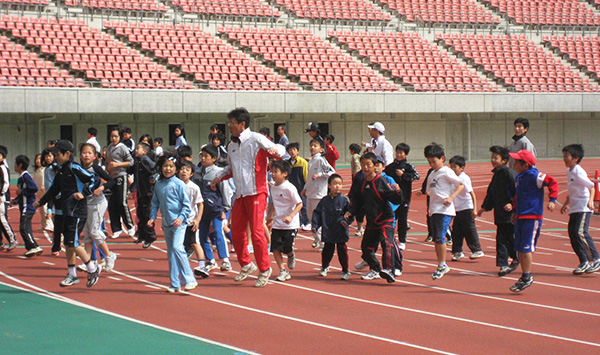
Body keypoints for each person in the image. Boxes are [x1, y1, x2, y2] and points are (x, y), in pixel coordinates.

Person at [212, 107, 286, 288]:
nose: (229, 126)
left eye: (232, 123)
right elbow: (230, 168)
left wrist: (277, 151)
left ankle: (264, 268)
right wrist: (218, 176)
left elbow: (278, 150)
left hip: (257, 192)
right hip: (241, 194)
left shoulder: (256, 139)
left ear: (242, 124)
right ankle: (246, 264)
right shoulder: (231, 146)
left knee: (257, 231)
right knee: (235, 231)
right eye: (229, 122)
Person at [35, 140, 101, 288]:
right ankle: (72, 274)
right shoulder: (62, 171)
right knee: (68, 244)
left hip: (77, 211)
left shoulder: (74, 167)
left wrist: (84, 193)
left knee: (73, 243)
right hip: (67, 211)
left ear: (67, 154)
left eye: (58, 154)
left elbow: (94, 179)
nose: (56, 157)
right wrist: (41, 202)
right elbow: (53, 190)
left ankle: (92, 268)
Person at [345, 153, 403, 283]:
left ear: (375, 166)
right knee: (366, 248)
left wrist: (398, 191)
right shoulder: (361, 182)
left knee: (387, 243)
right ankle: (376, 269)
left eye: (368, 165)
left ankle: (389, 270)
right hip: (372, 221)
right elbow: (357, 201)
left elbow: (394, 199)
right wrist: (350, 212)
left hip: (385, 218)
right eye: (363, 164)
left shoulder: (381, 181)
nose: (365, 167)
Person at [508, 149, 558, 292]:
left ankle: (527, 275)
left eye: (517, 162)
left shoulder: (536, 176)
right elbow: (518, 196)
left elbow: (553, 183)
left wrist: (552, 200)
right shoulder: (519, 177)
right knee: (519, 248)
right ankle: (525, 276)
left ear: (526, 165)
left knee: (526, 247)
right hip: (520, 216)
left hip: (532, 217)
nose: (514, 164)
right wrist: (515, 211)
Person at [148, 153, 197, 293]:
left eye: (171, 166)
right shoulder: (159, 185)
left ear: (176, 169)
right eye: (165, 166)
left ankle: (190, 279)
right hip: (167, 224)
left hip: (179, 224)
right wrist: (152, 217)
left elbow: (187, 205)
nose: (168, 169)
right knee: (171, 253)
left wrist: (181, 218)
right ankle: (175, 284)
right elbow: (155, 203)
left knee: (177, 248)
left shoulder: (179, 184)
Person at [415, 143, 464, 280]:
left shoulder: (447, 171)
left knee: (440, 237)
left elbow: (460, 184)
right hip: (434, 209)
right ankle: (441, 264)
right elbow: (433, 188)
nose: (432, 164)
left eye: (434, 161)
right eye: (429, 162)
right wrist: (427, 193)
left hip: (444, 209)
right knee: (437, 238)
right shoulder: (433, 173)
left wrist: (451, 198)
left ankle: (442, 265)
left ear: (442, 158)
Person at [477, 146, 519, 276]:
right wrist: (484, 207)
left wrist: (513, 205)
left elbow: (518, 191)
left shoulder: (510, 174)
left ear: (504, 160)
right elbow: (491, 193)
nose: (493, 160)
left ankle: (516, 257)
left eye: (496, 157)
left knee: (510, 239)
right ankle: (503, 265)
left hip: (510, 215)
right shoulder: (496, 175)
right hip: (500, 214)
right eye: (492, 157)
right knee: (501, 239)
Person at [560, 144, 600, 274]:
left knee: (580, 232)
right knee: (572, 233)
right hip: (575, 207)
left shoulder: (578, 170)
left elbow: (591, 187)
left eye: (567, 156)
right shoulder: (569, 171)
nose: (565, 159)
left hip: (583, 207)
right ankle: (584, 261)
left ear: (576, 158)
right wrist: (566, 203)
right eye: (564, 156)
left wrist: (590, 201)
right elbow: (573, 190)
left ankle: (596, 259)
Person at [79, 143, 118, 272]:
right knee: (88, 235)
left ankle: (109, 255)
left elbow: (112, 181)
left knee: (95, 231)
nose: (86, 155)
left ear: (95, 156)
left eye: (89, 153)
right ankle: (88, 261)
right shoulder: (79, 169)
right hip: (86, 204)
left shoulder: (96, 168)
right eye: (84, 152)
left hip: (98, 203)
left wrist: (101, 188)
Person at [194, 144, 232, 274]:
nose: (203, 159)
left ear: (214, 158)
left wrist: (225, 208)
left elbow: (225, 191)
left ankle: (225, 260)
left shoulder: (218, 173)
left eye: (206, 156)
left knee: (218, 231)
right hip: (203, 210)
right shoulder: (197, 173)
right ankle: (210, 260)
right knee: (202, 235)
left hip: (216, 208)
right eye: (202, 156)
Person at [266, 160, 302, 282]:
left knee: (286, 248)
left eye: (276, 172)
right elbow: (273, 203)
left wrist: (291, 216)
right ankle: (283, 271)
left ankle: (290, 254)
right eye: (272, 172)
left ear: (285, 173)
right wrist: (270, 216)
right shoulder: (274, 188)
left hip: (290, 224)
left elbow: (299, 204)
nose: (273, 174)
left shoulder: (289, 188)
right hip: (277, 223)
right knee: (275, 248)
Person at [313, 174, 353, 280]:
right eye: (335, 184)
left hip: (340, 231)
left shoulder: (344, 200)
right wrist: (315, 225)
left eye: (340, 184)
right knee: (327, 250)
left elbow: (350, 214)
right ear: (329, 185)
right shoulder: (325, 200)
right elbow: (317, 213)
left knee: (342, 250)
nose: (337, 186)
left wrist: (345, 222)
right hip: (328, 230)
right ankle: (325, 267)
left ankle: (345, 270)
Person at [448, 155, 484, 261]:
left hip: (466, 207)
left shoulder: (464, 178)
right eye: (451, 167)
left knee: (469, 229)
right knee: (457, 230)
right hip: (457, 208)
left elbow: (472, 193)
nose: (452, 169)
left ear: (462, 168)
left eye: (455, 167)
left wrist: (474, 209)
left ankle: (477, 250)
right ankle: (457, 251)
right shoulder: (452, 178)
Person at [384, 143, 419, 250]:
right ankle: (390, 239)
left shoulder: (408, 167)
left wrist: (403, 175)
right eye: (397, 152)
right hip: (391, 198)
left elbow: (416, 176)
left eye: (401, 153)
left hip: (404, 198)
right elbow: (384, 177)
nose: (399, 155)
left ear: (406, 154)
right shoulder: (391, 167)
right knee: (390, 219)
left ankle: (402, 241)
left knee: (403, 219)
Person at [178, 160, 210, 279]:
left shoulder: (193, 187)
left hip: (190, 221)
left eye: (187, 170)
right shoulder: (175, 185)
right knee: (179, 244)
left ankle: (202, 265)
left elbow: (200, 204)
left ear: (192, 174)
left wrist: (197, 220)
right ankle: (181, 266)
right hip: (178, 221)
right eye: (182, 169)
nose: (184, 172)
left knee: (195, 242)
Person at [302, 138, 335, 250]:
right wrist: (305, 188)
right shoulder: (310, 161)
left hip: (319, 193)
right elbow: (309, 177)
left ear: (321, 149)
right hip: (310, 193)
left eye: (315, 146)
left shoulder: (321, 160)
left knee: (318, 218)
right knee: (311, 219)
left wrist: (320, 174)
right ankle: (318, 238)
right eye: (311, 145)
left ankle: (323, 243)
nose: (312, 147)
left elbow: (332, 171)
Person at [106, 127, 135, 239]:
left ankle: (130, 226)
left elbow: (131, 162)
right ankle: (116, 228)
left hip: (121, 176)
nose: (113, 138)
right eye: (112, 136)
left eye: (116, 136)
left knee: (122, 202)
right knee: (112, 204)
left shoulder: (122, 148)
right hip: (111, 178)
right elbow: (108, 161)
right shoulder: (108, 148)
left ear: (120, 137)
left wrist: (118, 165)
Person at [11, 155, 42, 257]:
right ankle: (32, 247)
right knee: (25, 227)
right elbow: (21, 195)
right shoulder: (21, 178)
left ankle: (33, 246)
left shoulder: (25, 176)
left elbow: (34, 188)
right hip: (24, 206)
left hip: (28, 207)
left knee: (23, 227)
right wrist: (15, 201)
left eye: (15, 163)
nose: (14, 166)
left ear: (20, 165)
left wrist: (22, 191)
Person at [132, 142, 157, 248]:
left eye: (138, 149)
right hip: (140, 190)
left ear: (145, 152)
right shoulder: (137, 161)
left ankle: (150, 236)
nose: (136, 151)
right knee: (140, 213)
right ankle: (141, 234)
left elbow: (153, 169)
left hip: (147, 191)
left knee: (147, 214)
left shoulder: (145, 160)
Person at [42, 148, 61, 256]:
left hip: (58, 196)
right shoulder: (47, 169)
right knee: (56, 223)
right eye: (46, 156)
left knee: (60, 223)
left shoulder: (56, 168)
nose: (48, 158)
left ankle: (60, 245)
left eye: (50, 156)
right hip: (51, 195)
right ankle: (56, 246)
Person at [286, 143, 310, 230]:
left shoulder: (303, 162)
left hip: (301, 187)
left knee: (303, 205)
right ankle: (298, 222)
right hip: (291, 188)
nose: (292, 152)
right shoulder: (287, 163)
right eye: (290, 150)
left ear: (298, 151)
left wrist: (306, 188)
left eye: (294, 150)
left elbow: (306, 175)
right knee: (292, 206)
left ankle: (306, 222)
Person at [0, 146, 17, 251]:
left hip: (1, 198)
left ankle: (12, 239)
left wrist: (1, 194)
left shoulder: (2, 168)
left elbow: (6, 183)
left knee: (2, 219)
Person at [33, 153, 52, 233]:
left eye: (40, 159)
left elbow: (47, 179)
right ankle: (44, 224)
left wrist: (44, 186)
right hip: (39, 192)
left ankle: (49, 225)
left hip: (44, 191)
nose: (38, 161)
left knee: (45, 208)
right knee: (41, 209)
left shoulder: (45, 170)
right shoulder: (36, 170)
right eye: (37, 159)